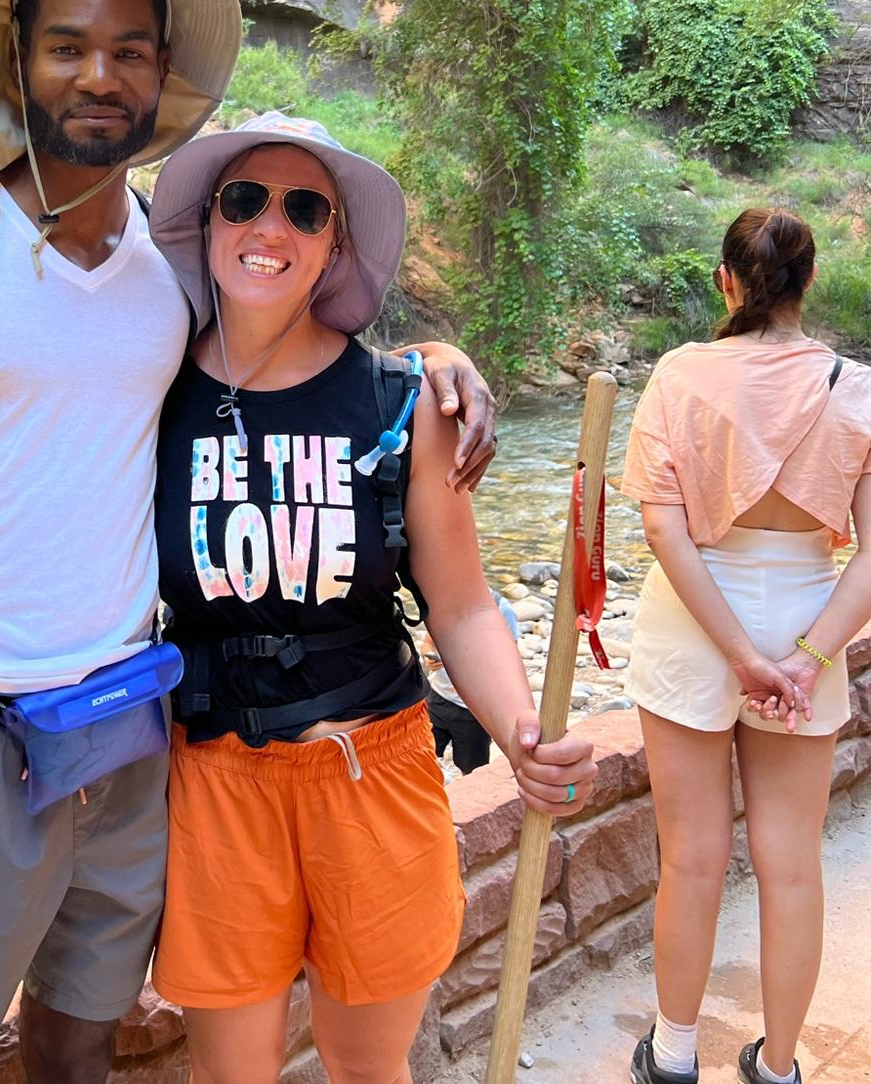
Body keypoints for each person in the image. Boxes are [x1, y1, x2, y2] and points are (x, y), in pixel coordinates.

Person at [0, 0, 499, 1084]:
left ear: (162, 81)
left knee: (80, 1038)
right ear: (20, 61)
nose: (98, 75)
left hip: (131, 728)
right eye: (69, 45)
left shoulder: (176, 276)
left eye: (129, 53)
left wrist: (432, 367)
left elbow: (291, 337)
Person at [146, 112, 599, 1084]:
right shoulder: (150, 395)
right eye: (245, 200)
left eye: (305, 209)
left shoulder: (403, 404)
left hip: (373, 780)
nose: (272, 227)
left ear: (334, 244)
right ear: (208, 221)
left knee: (368, 1067)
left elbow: (464, 606)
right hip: (214, 783)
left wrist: (519, 729)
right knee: (234, 1072)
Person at [620, 208, 871, 1084]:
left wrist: (735, 653)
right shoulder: (858, 388)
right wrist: (803, 657)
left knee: (690, 855)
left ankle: (677, 1055)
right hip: (809, 612)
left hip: (697, 625)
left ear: (726, 282)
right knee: (791, 864)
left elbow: (664, 528)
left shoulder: (680, 376)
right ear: (808, 284)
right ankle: (778, 1065)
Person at [424, 591, 523, 774]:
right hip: (437, 697)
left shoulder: (501, 608)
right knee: (420, 757)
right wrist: (429, 657)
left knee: (473, 769)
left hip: (473, 708)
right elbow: (428, 642)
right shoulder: (442, 595)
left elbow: (509, 661)